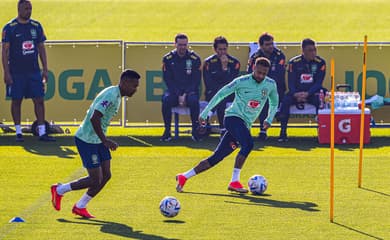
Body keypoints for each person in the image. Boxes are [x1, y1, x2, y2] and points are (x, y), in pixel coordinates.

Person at [176, 57, 278, 193]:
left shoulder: (270, 84)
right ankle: (234, 181)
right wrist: (205, 112)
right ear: (253, 68)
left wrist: (269, 119)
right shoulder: (241, 81)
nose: (261, 76)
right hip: (232, 118)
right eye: (259, 72)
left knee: (217, 157)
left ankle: (184, 176)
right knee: (248, 144)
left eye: (264, 74)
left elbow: (274, 102)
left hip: (245, 124)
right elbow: (220, 94)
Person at [50, 69, 140, 218]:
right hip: (87, 140)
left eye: (137, 86)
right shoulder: (111, 95)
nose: (135, 89)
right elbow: (94, 117)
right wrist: (105, 141)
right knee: (94, 179)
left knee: (106, 175)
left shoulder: (117, 95)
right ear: (124, 82)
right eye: (134, 86)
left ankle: (80, 206)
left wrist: (103, 140)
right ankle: (59, 190)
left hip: (98, 140)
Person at [1, 0, 55, 142]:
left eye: (30, 8)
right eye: (26, 8)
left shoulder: (36, 26)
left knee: (39, 100)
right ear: (19, 9)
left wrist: (45, 69)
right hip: (16, 72)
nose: (29, 11)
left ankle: (42, 132)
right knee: (16, 100)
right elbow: (5, 51)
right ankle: (18, 132)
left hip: (34, 72)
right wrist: (6, 72)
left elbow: (41, 48)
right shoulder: (10, 28)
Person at [278, 38, 326, 142]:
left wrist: (308, 94)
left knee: (321, 101)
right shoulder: (294, 63)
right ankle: (283, 132)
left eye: (314, 50)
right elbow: (290, 82)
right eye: (310, 50)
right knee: (285, 102)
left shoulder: (320, 63)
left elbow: (318, 83)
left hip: (312, 93)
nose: (313, 53)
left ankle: (322, 133)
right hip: (296, 93)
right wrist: (295, 94)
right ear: (303, 51)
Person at [161, 33, 202, 142]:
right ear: (175, 44)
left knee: (194, 101)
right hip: (174, 91)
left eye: (185, 45)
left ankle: (195, 131)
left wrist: (185, 94)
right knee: (166, 100)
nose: (183, 47)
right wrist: (179, 94)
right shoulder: (168, 59)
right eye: (180, 45)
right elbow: (168, 79)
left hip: (190, 91)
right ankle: (167, 131)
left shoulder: (194, 58)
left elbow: (196, 80)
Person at [247, 32, 286, 141]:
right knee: (260, 99)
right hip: (259, 87)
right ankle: (261, 131)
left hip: (277, 87)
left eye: (272, 44)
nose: (271, 46)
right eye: (267, 44)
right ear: (261, 46)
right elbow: (251, 74)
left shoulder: (279, 55)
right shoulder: (255, 57)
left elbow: (279, 74)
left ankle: (283, 133)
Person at [203, 36, 240, 136]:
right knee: (220, 96)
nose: (223, 52)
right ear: (215, 49)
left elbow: (232, 82)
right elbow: (208, 83)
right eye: (220, 49)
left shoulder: (234, 63)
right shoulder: (208, 63)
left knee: (222, 96)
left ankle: (209, 116)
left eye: (225, 49)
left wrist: (225, 67)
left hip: (229, 94)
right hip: (212, 93)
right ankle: (223, 128)